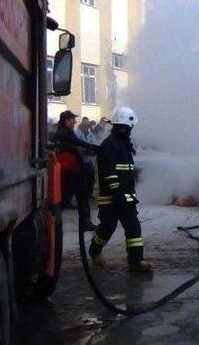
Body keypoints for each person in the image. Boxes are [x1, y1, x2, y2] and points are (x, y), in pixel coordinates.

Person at [89, 107, 152, 272]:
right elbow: (109, 173)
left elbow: (126, 173)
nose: (131, 131)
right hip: (112, 197)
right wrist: (117, 193)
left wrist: (127, 195)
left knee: (133, 227)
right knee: (107, 227)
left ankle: (136, 261)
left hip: (125, 196)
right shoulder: (110, 145)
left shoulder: (122, 144)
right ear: (125, 126)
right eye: (130, 127)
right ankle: (94, 251)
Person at [53, 110, 99, 231]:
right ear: (66, 120)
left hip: (72, 171)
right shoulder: (65, 133)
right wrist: (95, 148)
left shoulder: (65, 132)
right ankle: (53, 223)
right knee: (70, 199)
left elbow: (75, 147)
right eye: (72, 119)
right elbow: (79, 143)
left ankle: (85, 222)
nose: (75, 121)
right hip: (70, 172)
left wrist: (87, 150)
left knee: (79, 198)